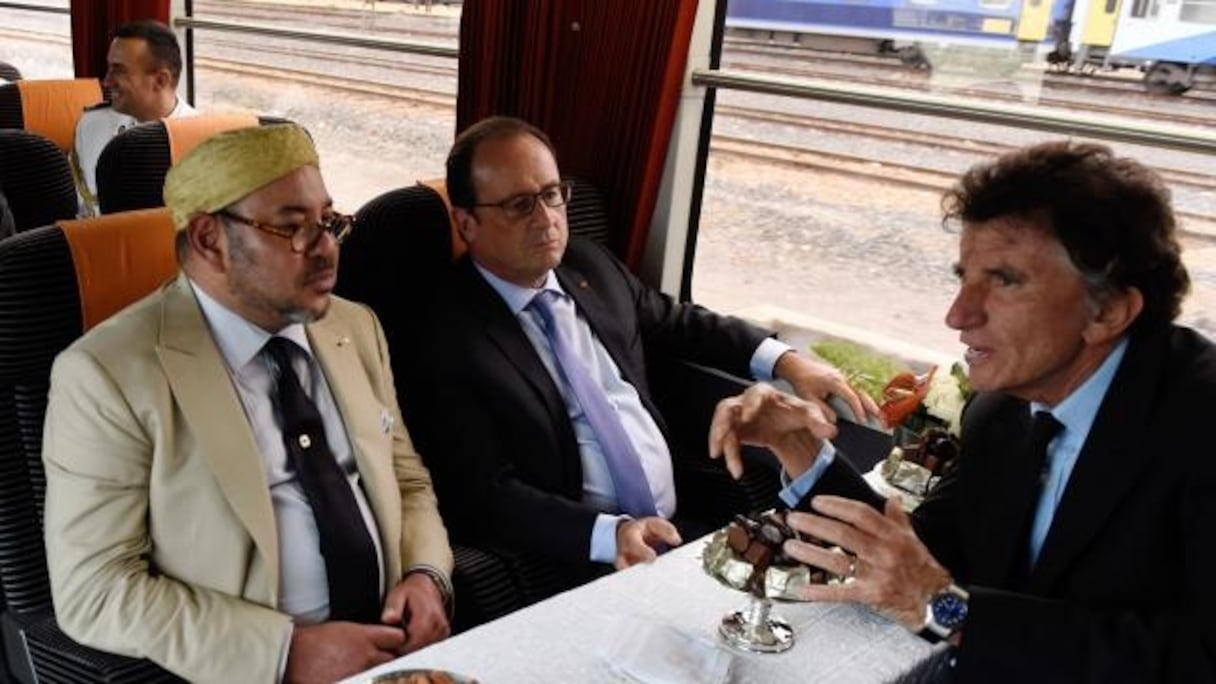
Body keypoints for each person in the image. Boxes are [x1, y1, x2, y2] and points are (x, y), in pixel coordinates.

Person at [710, 140, 1215, 681]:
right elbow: (926, 555)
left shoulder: (1200, 426)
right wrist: (802, 449)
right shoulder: (1002, 410)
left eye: (1005, 281)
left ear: (1109, 310)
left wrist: (950, 612)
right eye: (963, 279)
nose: (957, 315)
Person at [43, 124, 454, 683]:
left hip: (397, 655)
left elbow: (406, 481)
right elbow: (93, 589)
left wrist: (428, 574)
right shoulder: (106, 375)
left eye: (329, 222)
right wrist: (283, 654)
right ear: (210, 239)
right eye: (292, 228)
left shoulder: (353, 327)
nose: (327, 247)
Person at [407, 115, 877, 583]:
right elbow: (483, 492)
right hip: (581, 557)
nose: (546, 218)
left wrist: (788, 362)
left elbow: (680, 322)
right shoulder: (443, 334)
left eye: (552, 194)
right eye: (519, 205)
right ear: (467, 223)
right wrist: (611, 535)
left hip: (685, 522)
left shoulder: (589, 265)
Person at [71, 19, 197, 217]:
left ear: (160, 80)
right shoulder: (91, 127)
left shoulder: (203, 141)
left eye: (118, 70)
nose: (106, 81)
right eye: (109, 68)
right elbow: (85, 215)